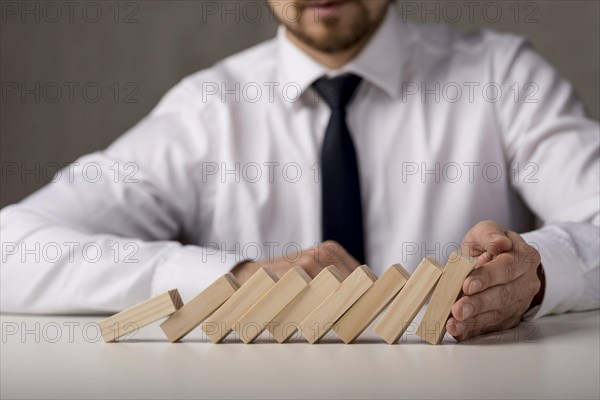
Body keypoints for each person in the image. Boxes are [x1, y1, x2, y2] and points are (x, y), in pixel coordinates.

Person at [1, 0, 598, 341]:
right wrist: (230, 277)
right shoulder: (206, 111)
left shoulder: (503, 77)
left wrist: (538, 272)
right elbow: (11, 249)